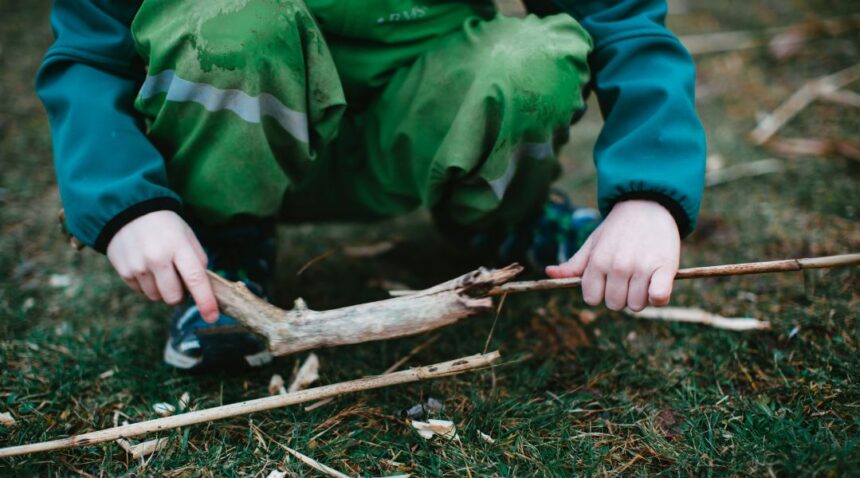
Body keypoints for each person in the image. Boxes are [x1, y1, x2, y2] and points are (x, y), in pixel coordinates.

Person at [36, 0, 706, 371]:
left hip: (424, 124)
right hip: (240, 132)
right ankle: (226, 248)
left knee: (530, 63)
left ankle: (503, 217)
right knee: (226, 25)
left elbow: (624, 21)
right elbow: (92, 50)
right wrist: (128, 204)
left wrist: (648, 192)